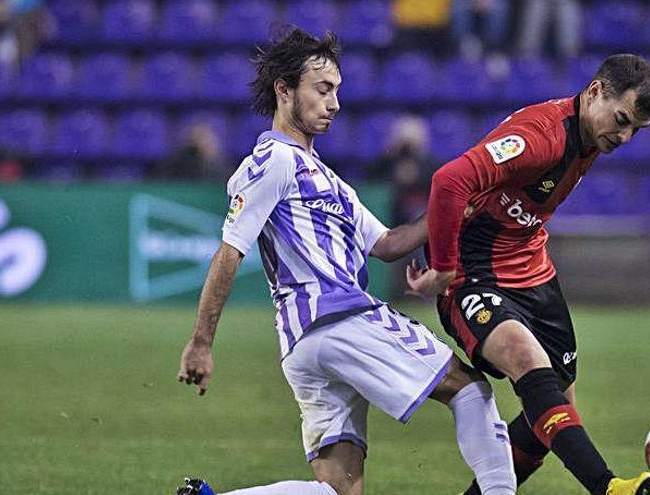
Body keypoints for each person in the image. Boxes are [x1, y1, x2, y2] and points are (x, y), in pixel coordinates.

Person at [175, 27, 516, 495]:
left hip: (304, 345)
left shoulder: (329, 180)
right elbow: (230, 251)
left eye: (337, 91)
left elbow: (391, 243)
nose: (334, 103)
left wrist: (454, 206)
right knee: (471, 389)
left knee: (340, 491)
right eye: (322, 90)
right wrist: (200, 341)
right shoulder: (272, 160)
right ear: (284, 90)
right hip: (338, 317)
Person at [407, 54, 650, 495]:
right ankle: (608, 488)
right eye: (621, 120)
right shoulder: (540, 137)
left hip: (532, 271)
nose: (625, 136)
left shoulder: (589, 134)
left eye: (635, 130)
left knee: (552, 415)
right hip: (476, 273)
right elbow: (449, 183)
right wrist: (445, 268)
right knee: (529, 363)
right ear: (596, 91)